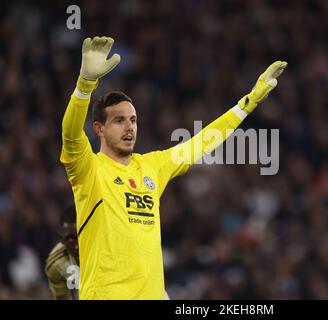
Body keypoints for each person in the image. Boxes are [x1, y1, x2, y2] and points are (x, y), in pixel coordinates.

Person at [60, 36, 287, 299]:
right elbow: (70, 134)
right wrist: (85, 86)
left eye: (133, 120)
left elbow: (201, 142)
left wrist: (248, 103)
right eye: (119, 121)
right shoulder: (88, 169)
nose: (129, 127)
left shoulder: (153, 166)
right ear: (99, 129)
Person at [45, 204, 79, 300]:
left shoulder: (109, 247)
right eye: (70, 239)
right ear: (61, 237)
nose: (76, 246)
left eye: (80, 238)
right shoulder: (56, 264)